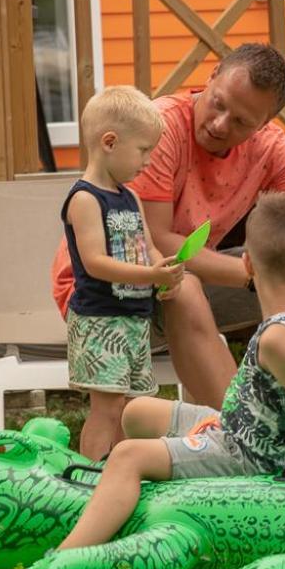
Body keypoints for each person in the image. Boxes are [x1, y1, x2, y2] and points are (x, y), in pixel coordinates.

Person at [52, 43, 285, 409]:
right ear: (213, 75)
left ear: (265, 123)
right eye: (218, 104)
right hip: (108, 290)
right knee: (185, 286)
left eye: (241, 121)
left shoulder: (270, 148)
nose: (220, 124)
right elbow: (156, 239)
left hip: (185, 279)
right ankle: (242, 434)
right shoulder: (158, 129)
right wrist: (255, 275)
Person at [47, 192, 285, 556]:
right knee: (137, 412)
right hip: (235, 427)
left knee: (128, 455)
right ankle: (116, 498)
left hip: (241, 454)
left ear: (246, 265)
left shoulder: (277, 338)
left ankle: (67, 551)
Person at [62, 86, 185, 461]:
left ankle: (122, 468)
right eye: (143, 150)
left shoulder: (129, 197)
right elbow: (95, 262)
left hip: (133, 319)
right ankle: (91, 476)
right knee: (108, 406)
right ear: (110, 142)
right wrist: (150, 276)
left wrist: (163, 270)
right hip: (100, 321)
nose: (148, 161)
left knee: (133, 408)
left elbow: (148, 247)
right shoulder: (84, 199)